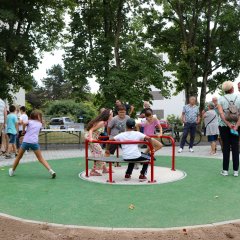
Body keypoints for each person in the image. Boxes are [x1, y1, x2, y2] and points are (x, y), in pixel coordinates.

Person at [9, 110, 56, 178]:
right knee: (41, 159)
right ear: (38, 117)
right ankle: (51, 171)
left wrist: (23, 130)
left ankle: (12, 171)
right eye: (40, 116)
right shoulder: (40, 124)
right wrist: (42, 123)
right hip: (34, 143)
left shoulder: (30, 121)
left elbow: (25, 123)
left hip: (26, 142)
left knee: (19, 157)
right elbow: (39, 130)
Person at [218, 81, 240, 177]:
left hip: (224, 126)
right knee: (235, 147)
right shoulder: (239, 98)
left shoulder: (221, 99)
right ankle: (236, 171)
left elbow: (221, 113)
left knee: (226, 147)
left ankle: (225, 170)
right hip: (236, 126)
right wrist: (236, 126)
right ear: (232, 88)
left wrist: (227, 123)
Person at [86, 109, 113, 176]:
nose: (112, 114)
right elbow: (91, 130)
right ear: (108, 115)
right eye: (111, 113)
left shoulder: (105, 122)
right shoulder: (101, 122)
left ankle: (104, 169)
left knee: (100, 153)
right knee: (99, 153)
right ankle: (93, 171)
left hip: (94, 138)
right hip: (91, 138)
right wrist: (91, 138)